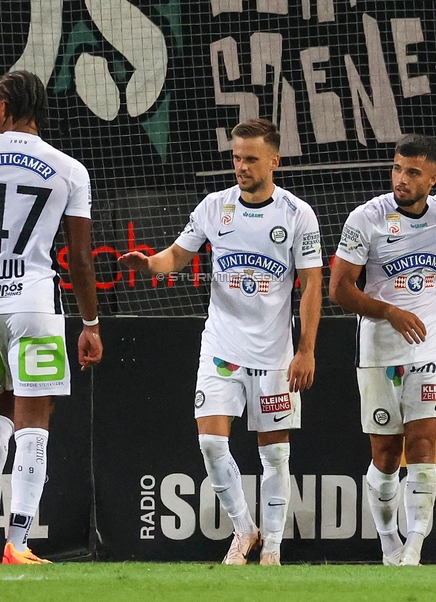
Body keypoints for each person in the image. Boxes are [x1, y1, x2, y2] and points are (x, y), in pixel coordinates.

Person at [119, 118, 322, 567]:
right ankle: (243, 529)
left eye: (251, 159)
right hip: (221, 349)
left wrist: (305, 349)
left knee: (275, 455)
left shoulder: (296, 214)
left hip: (273, 355)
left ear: (274, 161)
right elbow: (179, 253)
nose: (241, 166)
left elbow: (311, 284)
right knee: (211, 443)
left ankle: (272, 548)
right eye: (236, 157)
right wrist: (151, 264)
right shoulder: (214, 207)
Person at [0, 70, 103, 565]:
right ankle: (19, 542)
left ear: (5, 107)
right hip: (34, 306)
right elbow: (82, 256)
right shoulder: (68, 168)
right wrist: (90, 323)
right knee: (34, 423)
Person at [329, 134, 436, 566]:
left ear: (434, 179)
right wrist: (388, 311)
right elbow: (339, 289)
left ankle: (415, 548)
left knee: (423, 446)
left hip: (430, 347)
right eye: (398, 168)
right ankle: (389, 542)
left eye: (413, 172)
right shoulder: (367, 217)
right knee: (385, 456)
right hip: (380, 348)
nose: (401, 179)